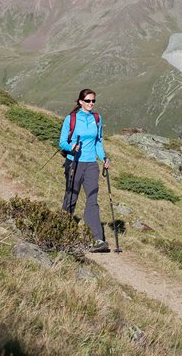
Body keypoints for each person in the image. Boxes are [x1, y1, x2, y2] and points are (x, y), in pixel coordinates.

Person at [59, 88, 111, 253]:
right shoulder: (71, 119)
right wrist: (71, 146)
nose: (91, 104)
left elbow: (98, 142)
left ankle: (97, 239)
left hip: (91, 164)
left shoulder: (97, 118)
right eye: (88, 101)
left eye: (93, 101)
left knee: (92, 199)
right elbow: (62, 143)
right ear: (80, 101)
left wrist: (103, 158)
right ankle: (61, 232)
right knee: (71, 197)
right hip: (74, 162)